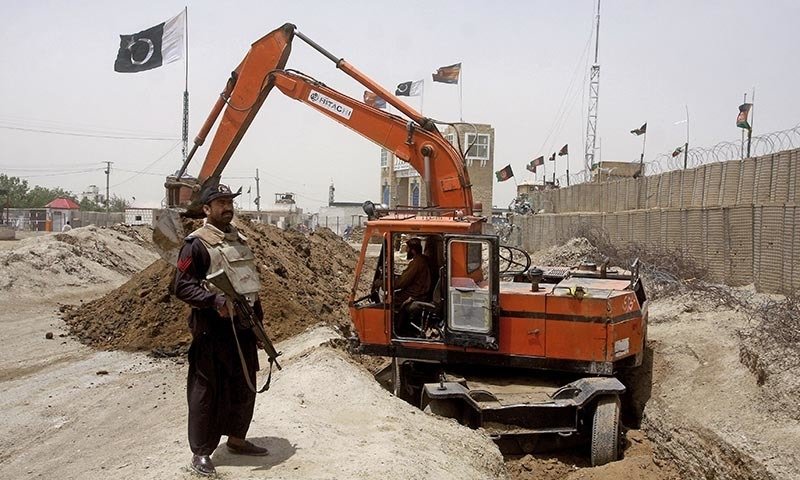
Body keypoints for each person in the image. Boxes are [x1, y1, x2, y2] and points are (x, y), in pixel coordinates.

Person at [173, 183, 268, 476]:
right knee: (206, 391)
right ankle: (201, 452)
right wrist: (213, 300)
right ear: (206, 209)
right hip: (212, 331)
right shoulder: (195, 244)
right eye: (220, 202)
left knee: (243, 385)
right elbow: (180, 285)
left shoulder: (239, 240)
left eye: (229, 202)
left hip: (242, 327)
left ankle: (237, 439)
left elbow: (249, 285)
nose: (227, 207)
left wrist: (258, 325)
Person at [394, 237, 432, 307]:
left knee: (391, 298)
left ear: (413, 251)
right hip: (419, 291)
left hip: (416, 294)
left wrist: (390, 284)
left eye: (408, 248)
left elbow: (404, 281)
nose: (406, 251)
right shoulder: (422, 260)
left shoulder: (417, 262)